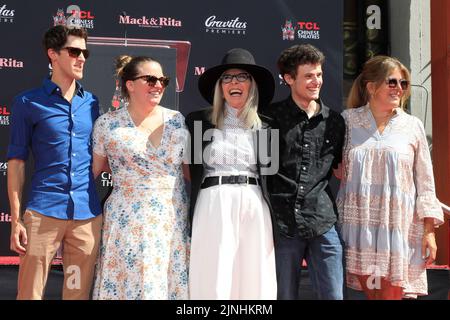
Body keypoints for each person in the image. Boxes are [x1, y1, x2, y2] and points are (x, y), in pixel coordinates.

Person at [336, 55, 444, 299]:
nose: (399, 88)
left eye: (403, 83)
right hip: (357, 229)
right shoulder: (348, 121)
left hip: (398, 230)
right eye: (392, 82)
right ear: (371, 87)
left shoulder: (412, 125)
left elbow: (426, 184)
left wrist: (429, 232)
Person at [7, 25, 102, 300]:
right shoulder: (27, 102)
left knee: (76, 294)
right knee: (30, 294)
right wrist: (16, 220)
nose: (81, 57)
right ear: (53, 54)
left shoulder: (92, 103)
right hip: (43, 213)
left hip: (86, 216)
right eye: (74, 51)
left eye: (85, 52)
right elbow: (16, 162)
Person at [91, 55, 190, 300]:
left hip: (171, 217)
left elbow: (190, 172)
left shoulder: (177, 121)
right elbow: (95, 170)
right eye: (150, 79)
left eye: (163, 80)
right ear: (130, 84)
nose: (158, 85)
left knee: (165, 284)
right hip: (127, 220)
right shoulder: (107, 124)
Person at [186, 48, 278, 299]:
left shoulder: (269, 127)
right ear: (219, 86)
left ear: (252, 85)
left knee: (254, 275)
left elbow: (272, 174)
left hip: (254, 202)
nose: (234, 82)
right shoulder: (197, 122)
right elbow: (186, 168)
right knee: (214, 273)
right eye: (227, 78)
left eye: (242, 77)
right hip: (213, 202)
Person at [261, 44, 345, 300]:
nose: (316, 81)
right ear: (289, 78)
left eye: (319, 75)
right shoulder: (270, 118)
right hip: (283, 223)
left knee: (333, 295)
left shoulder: (335, 121)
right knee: (283, 296)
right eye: (308, 75)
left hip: (322, 222)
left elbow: (339, 167)